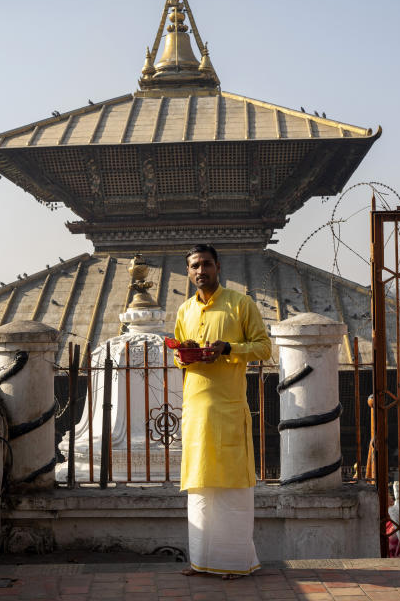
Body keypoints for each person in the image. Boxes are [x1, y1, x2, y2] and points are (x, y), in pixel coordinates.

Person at [173, 244, 271, 579]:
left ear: (218, 266)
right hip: (196, 406)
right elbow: (178, 352)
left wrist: (228, 348)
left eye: (206, 264)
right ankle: (201, 561)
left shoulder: (240, 305)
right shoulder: (184, 311)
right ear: (188, 272)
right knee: (200, 487)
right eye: (194, 266)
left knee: (230, 488)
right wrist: (185, 354)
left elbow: (264, 348)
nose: (200, 271)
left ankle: (234, 564)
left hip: (227, 408)